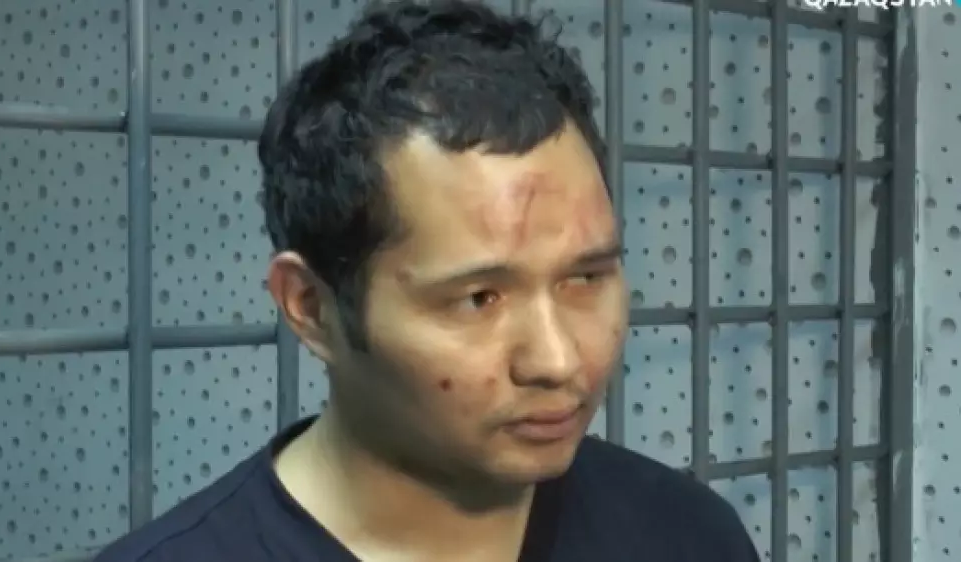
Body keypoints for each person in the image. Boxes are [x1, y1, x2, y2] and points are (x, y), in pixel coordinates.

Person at [95, 1, 761, 560]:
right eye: (479, 298)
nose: (559, 360)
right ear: (311, 307)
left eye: (585, 278)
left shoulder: (688, 536)